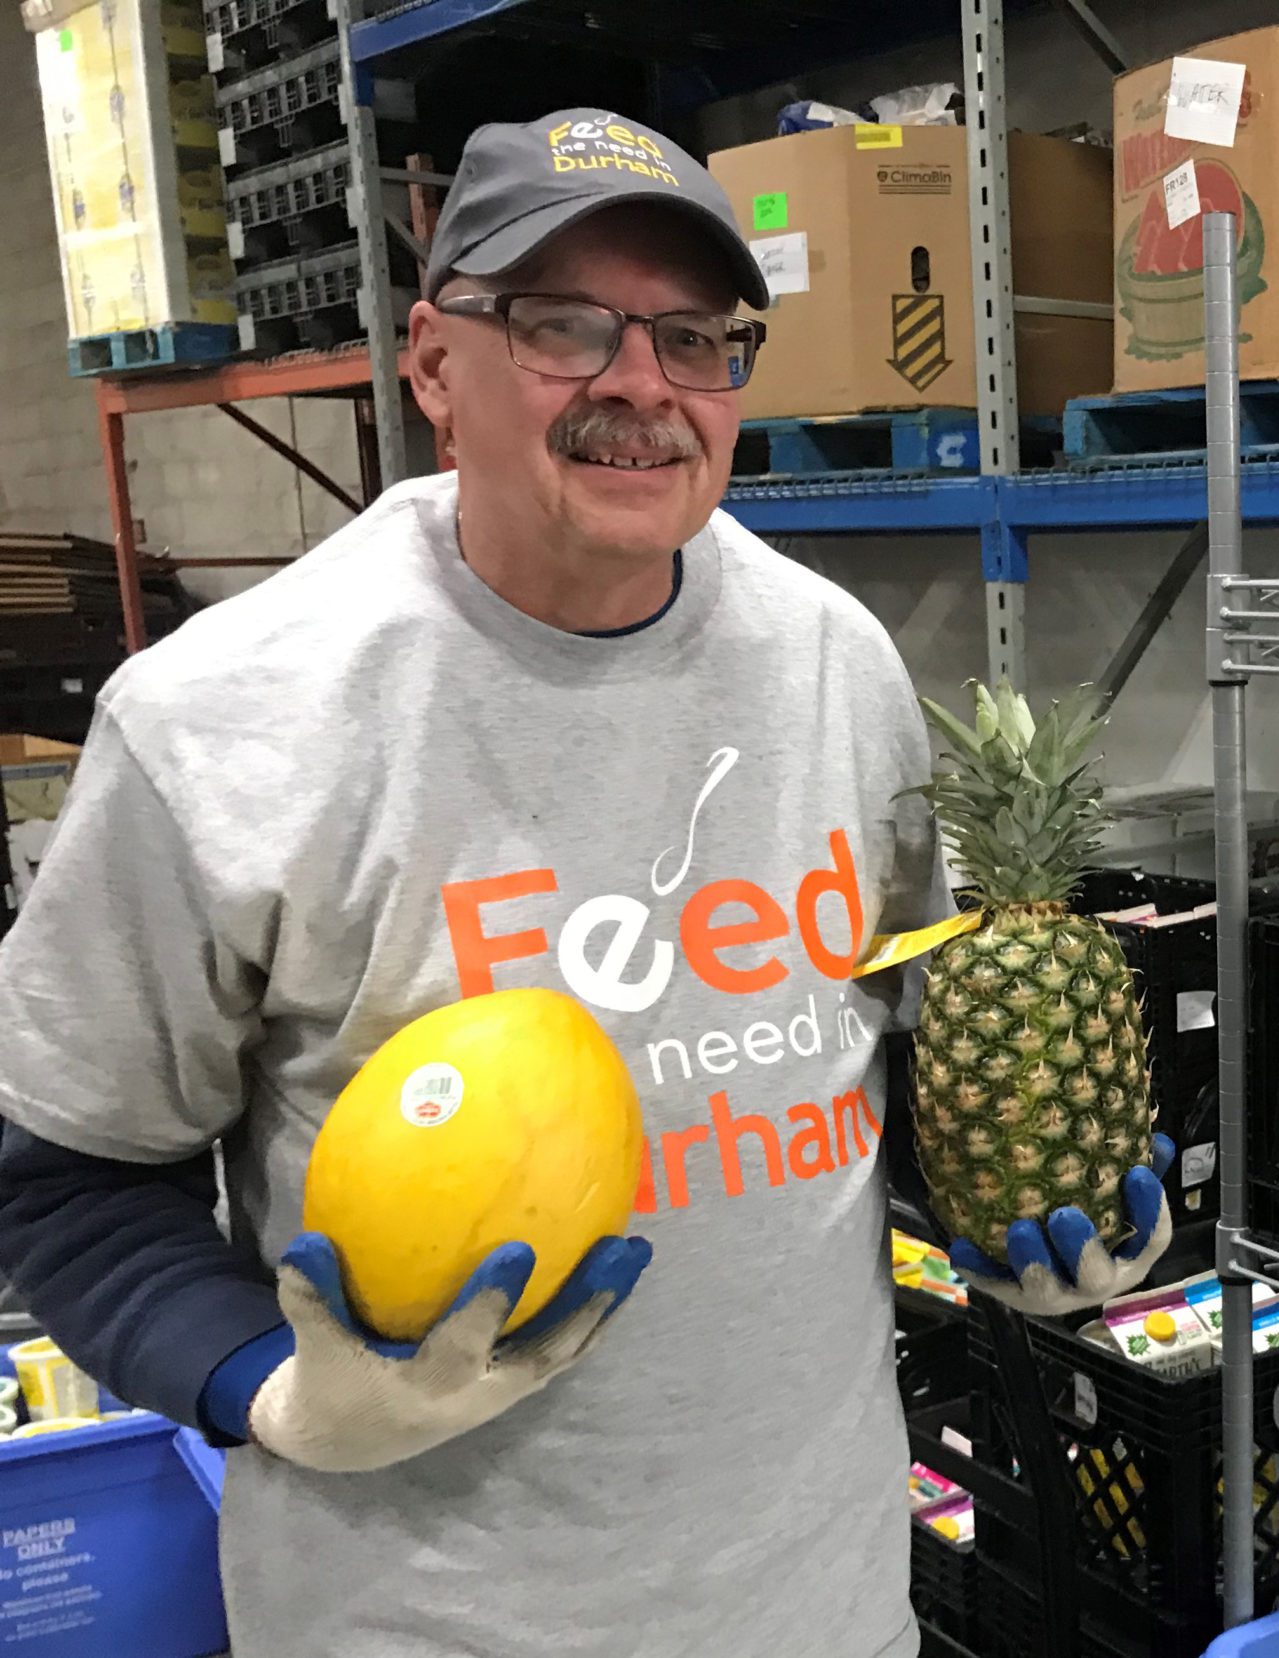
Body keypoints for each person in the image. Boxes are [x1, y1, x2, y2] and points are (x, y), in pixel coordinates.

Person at [0, 109, 1168, 1657]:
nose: (642, 384)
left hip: (823, 1607)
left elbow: (876, 1039)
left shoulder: (835, 660)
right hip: (424, 1620)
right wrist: (260, 1386)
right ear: (433, 363)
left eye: (698, 339)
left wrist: (1007, 1215)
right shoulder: (225, 722)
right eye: (564, 324)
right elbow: (67, 1172)